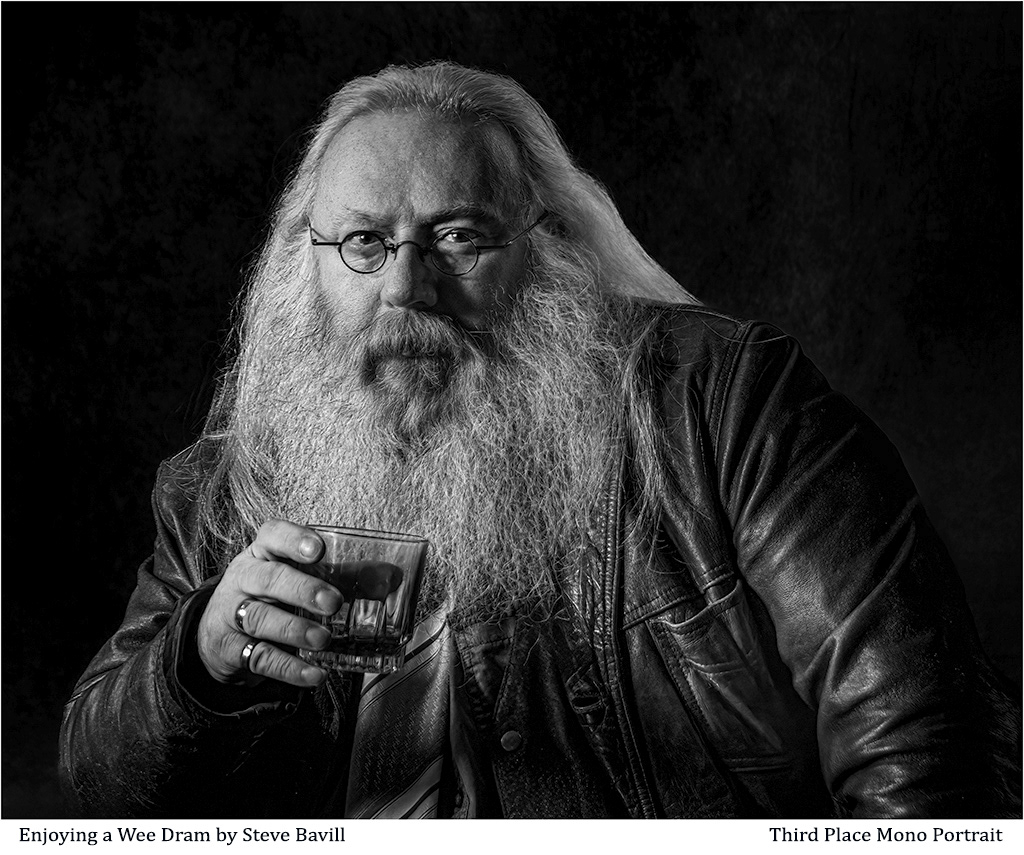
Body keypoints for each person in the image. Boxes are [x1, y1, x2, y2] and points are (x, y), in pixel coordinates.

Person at [58, 61, 1020, 819]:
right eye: (364, 242)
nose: (406, 288)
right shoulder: (221, 489)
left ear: (547, 246)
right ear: (305, 264)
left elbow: (927, 735)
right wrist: (202, 657)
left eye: (459, 237)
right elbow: (100, 790)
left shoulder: (724, 406)